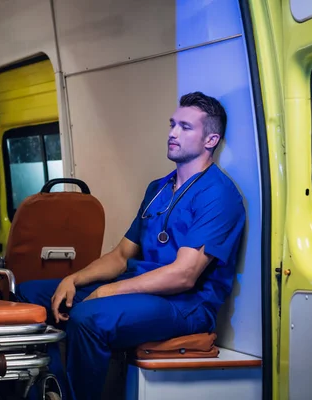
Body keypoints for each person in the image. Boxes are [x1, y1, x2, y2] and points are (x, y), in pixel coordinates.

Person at [16, 91, 246, 400]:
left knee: (88, 319)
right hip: (139, 290)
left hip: (185, 304)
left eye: (185, 127)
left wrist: (109, 290)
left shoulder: (218, 194)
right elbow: (122, 255)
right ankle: (52, 389)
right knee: (32, 294)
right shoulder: (158, 188)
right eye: (172, 124)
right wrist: (73, 279)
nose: (173, 133)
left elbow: (184, 275)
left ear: (210, 140)